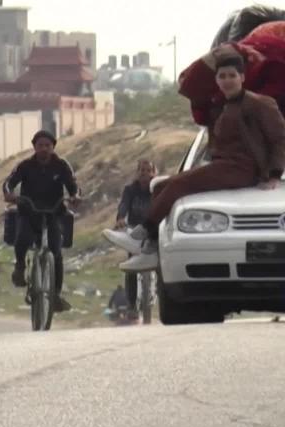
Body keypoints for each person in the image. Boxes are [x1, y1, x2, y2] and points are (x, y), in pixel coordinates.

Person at [105, 51, 285, 271]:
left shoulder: (259, 104)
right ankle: (151, 249)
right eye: (222, 76)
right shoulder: (222, 107)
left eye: (232, 75)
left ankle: (141, 233)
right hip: (223, 166)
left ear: (242, 77)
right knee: (162, 186)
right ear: (217, 80)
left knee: (180, 185)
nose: (227, 81)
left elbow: (279, 139)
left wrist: (275, 175)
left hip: (243, 169)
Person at [3, 130, 80, 312]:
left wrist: (75, 196)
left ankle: (56, 294)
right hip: (29, 212)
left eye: (47, 146)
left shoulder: (61, 165)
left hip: (53, 213)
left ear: (53, 147)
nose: (44, 149)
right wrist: (9, 194)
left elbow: (73, 186)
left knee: (56, 251)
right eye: (40, 146)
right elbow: (9, 182)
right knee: (22, 238)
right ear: (34, 147)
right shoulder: (25, 166)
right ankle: (20, 266)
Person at [114, 159, 156, 317]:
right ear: (137, 173)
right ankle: (132, 304)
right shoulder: (130, 189)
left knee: (162, 265)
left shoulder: (157, 189)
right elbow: (124, 204)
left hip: (153, 230)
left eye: (148, 170)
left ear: (153, 173)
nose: (144, 173)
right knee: (131, 267)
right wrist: (120, 218)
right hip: (135, 230)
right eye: (141, 170)